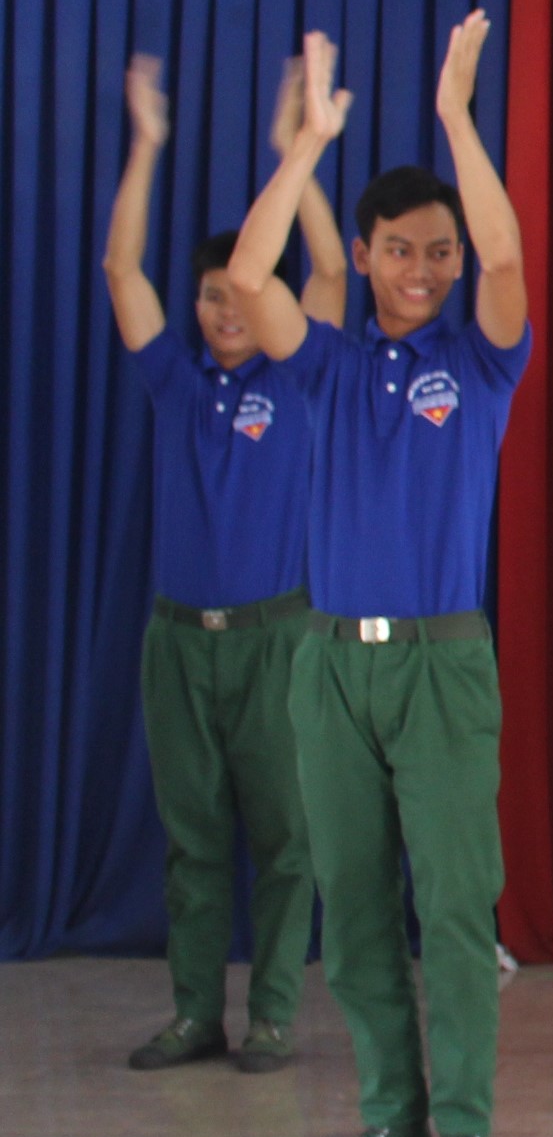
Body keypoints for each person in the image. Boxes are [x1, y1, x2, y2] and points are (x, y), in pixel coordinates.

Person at [227, 17, 531, 1137]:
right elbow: (249, 280)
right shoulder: (328, 363)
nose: (422, 268)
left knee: (451, 904)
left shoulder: (484, 359)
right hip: (328, 667)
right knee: (351, 910)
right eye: (399, 249)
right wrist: (306, 145)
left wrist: (456, 115)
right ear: (361, 254)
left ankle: (466, 1126)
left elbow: (505, 258)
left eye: (436, 250)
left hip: (440, 665)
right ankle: (391, 1118)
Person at [106, 54, 348, 1076]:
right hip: (179, 641)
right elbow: (123, 270)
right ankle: (195, 1013)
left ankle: (274, 1016)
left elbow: (329, 270)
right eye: (210, 296)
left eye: (239, 293)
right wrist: (146, 144)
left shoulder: (298, 377)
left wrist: (300, 152)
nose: (225, 310)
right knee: (193, 839)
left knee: (286, 838)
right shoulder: (176, 378)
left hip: (275, 637)